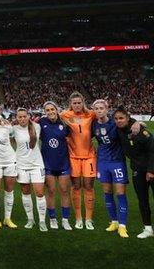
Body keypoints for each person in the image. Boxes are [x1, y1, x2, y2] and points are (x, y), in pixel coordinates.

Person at [114, 106, 154, 238]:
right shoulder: (119, 130)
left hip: (151, 169)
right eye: (116, 118)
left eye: (121, 118)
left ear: (127, 117)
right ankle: (148, 229)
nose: (118, 121)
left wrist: (150, 171)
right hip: (137, 170)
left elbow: (152, 151)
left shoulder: (140, 131)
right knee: (142, 200)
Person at [92, 100, 129, 238]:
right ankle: (114, 221)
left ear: (107, 109)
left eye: (102, 108)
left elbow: (128, 124)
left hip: (117, 162)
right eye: (96, 108)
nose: (99, 110)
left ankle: (123, 225)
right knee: (107, 191)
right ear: (94, 110)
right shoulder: (94, 124)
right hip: (102, 162)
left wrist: (138, 123)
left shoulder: (115, 123)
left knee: (120, 192)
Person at [60, 92, 96, 230]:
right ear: (71, 104)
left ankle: (88, 219)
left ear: (83, 103)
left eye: (79, 102)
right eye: (74, 103)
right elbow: (48, 118)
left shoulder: (91, 114)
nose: (77, 105)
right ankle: (78, 218)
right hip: (73, 156)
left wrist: (135, 122)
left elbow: (106, 116)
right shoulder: (65, 115)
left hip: (89, 156)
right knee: (76, 186)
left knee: (88, 186)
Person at [12, 108, 47, 231]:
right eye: (19, 117)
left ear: (28, 116)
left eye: (24, 116)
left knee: (40, 193)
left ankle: (42, 221)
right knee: (26, 192)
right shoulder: (13, 129)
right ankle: (30, 219)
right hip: (21, 165)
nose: (22, 119)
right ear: (16, 117)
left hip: (37, 164)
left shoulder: (37, 127)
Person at [39, 101, 72, 230]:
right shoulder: (41, 122)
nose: (50, 112)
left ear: (56, 110)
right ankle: (52, 219)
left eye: (52, 109)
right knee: (51, 191)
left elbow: (72, 137)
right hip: (48, 163)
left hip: (63, 162)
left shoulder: (64, 123)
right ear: (45, 112)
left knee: (64, 191)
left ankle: (65, 220)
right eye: (47, 110)